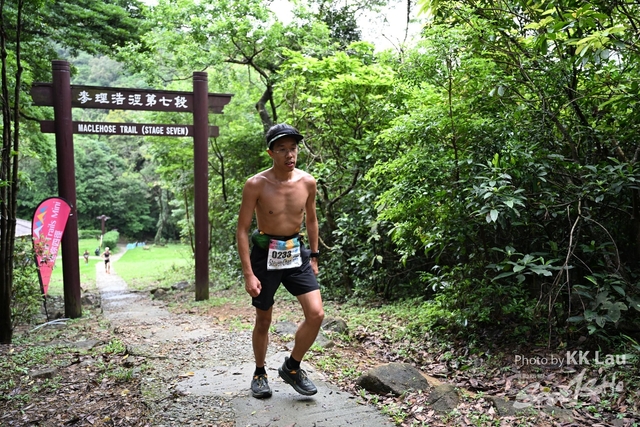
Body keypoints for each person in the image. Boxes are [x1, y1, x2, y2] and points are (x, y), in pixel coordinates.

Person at [236, 123, 324, 399]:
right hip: (265, 255)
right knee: (264, 319)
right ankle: (259, 372)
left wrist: (314, 256)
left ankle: (292, 367)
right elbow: (242, 230)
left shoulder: (307, 182)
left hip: (296, 253)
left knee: (316, 314)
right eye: (282, 149)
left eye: (293, 148)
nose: (290, 154)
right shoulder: (256, 184)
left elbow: (311, 220)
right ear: (270, 153)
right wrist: (249, 273)